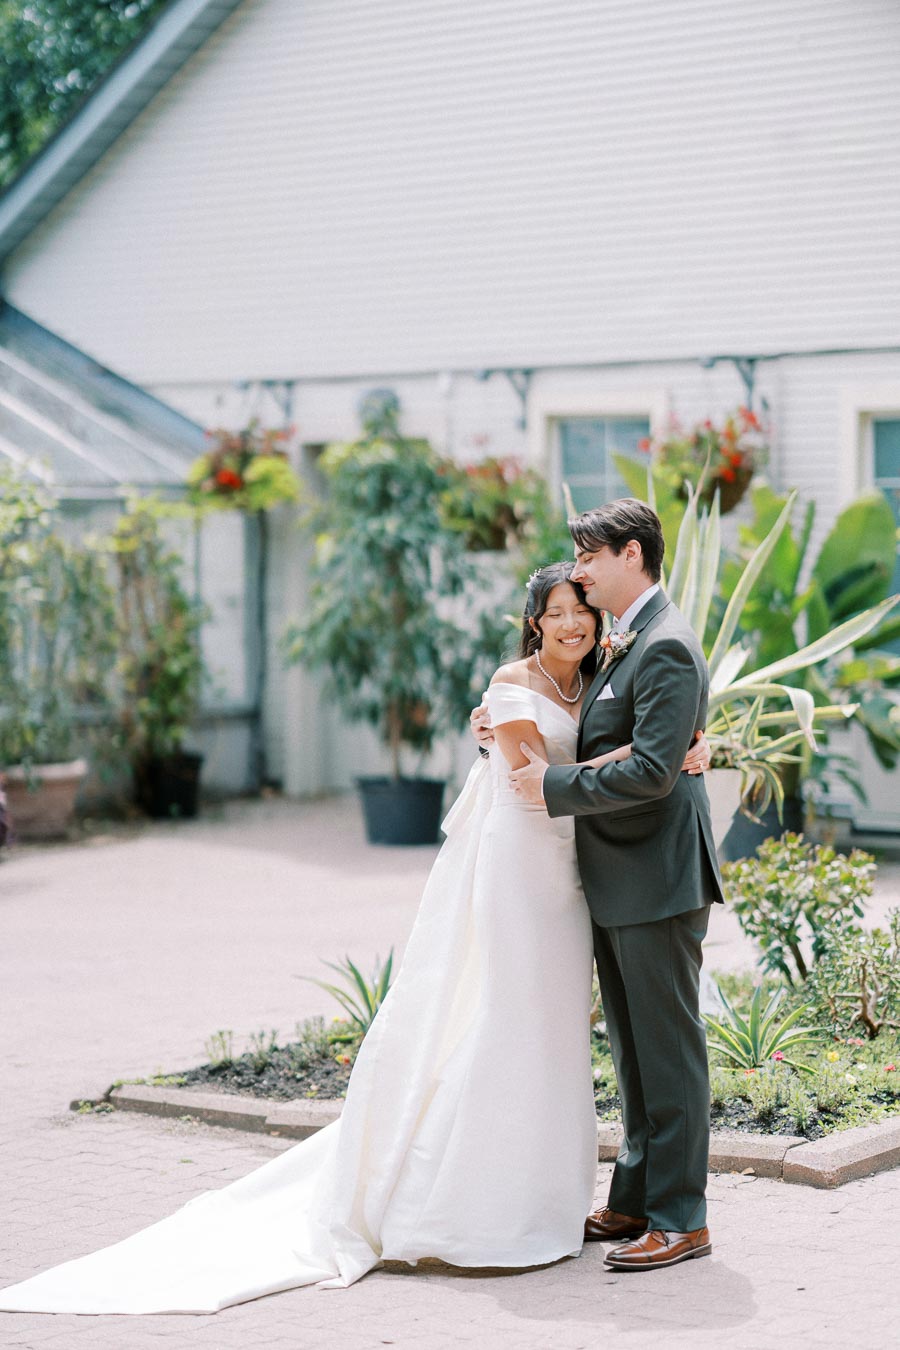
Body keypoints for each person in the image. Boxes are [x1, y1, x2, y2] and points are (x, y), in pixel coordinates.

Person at [0, 561, 708, 1317]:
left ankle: (578, 1194)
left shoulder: (605, 667)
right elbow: (534, 781)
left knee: (559, 1030)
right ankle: (490, 1199)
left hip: (580, 877)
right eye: (559, 612)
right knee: (509, 1014)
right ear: (533, 620)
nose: (575, 623)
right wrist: (627, 759)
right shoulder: (511, 683)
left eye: (583, 611)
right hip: (523, 869)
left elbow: (654, 722)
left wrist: (691, 747)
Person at [473, 499, 724, 1272]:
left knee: (668, 1053)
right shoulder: (629, 641)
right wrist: (502, 719)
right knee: (634, 1054)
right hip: (618, 878)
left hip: (656, 879)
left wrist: (550, 783)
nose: (578, 571)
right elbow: (607, 726)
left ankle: (681, 1218)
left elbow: (652, 770)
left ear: (630, 556)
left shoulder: (667, 644)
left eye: (587, 557)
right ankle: (633, 1199)